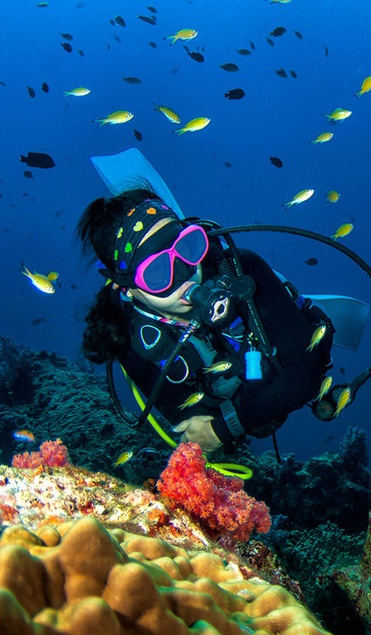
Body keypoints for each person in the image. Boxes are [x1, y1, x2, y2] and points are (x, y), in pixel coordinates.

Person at [77, 188, 334, 454]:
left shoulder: (242, 271)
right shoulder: (125, 337)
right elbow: (192, 426)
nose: (184, 275)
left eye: (187, 249)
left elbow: (307, 372)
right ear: (125, 286)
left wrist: (222, 429)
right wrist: (226, 425)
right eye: (157, 271)